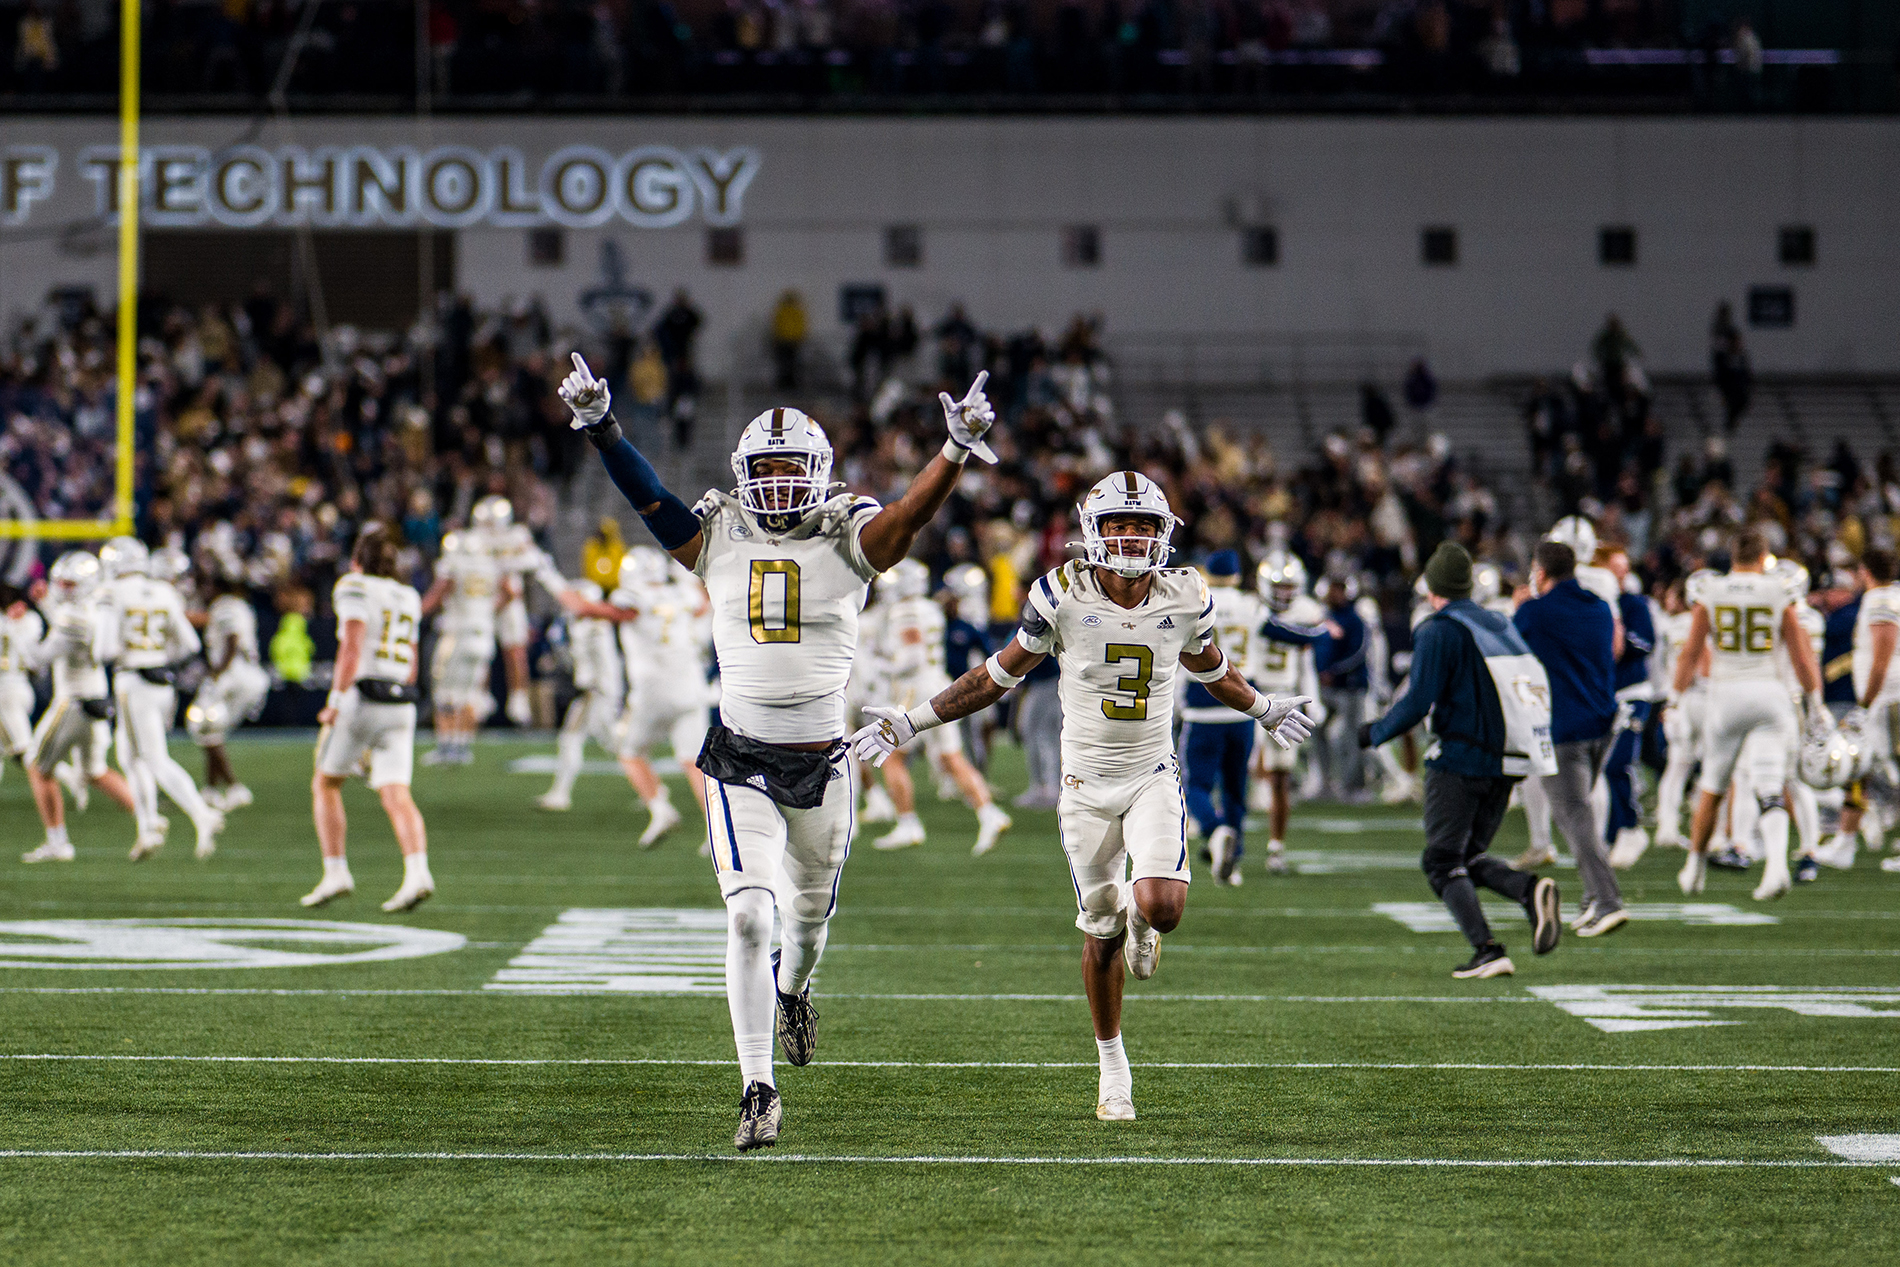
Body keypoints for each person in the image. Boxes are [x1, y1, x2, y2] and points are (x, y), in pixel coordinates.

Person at [559, 352, 995, 1152]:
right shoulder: (718, 535)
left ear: (821, 473)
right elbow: (649, 498)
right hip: (739, 758)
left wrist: (954, 451)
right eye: (768, 469)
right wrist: (603, 428)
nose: (781, 484)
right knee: (750, 916)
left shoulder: (847, 538)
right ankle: (757, 1087)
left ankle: (794, 993)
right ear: (743, 472)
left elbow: (907, 518)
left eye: (795, 469)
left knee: (806, 924)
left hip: (824, 761)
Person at [850, 472, 1315, 1123]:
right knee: (1100, 932)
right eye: (1120, 523)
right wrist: (913, 720)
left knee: (1163, 905)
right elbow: (996, 676)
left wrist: (1264, 707)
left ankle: (1144, 921)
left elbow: (1211, 667)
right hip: (1084, 788)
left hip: (1152, 772)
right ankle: (1113, 1065)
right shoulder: (1061, 593)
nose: (1132, 536)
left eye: (1144, 525)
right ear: (1095, 532)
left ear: (1163, 534)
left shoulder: (1186, 593)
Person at [1359, 542, 1563, 979]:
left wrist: (1375, 733)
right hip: (1507, 760)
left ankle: (1488, 948)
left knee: (1441, 861)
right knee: (1466, 857)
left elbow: (1418, 700)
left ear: (1433, 588)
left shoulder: (1439, 629)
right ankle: (1529, 891)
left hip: (1460, 757)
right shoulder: (1499, 622)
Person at [1670, 527, 1825, 900]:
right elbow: (1801, 656)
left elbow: (1690, 653)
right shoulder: (1778, 590)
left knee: (1713, 785)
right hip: (1769, 692)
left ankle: (1694, 866)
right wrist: (1816, 705)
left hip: (1726, 694)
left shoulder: (1712, 591)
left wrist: (1674, 701)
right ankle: (1774, 867)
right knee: (1771, 784)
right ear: (1763, 556)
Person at [304, 524, 432, 912]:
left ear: (357, 559)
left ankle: (336, 871)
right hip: (400, 701)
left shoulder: (354, 585)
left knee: (325, 783)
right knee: (396, 793)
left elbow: (353, 645)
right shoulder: (409, 595)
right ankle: (418, 872)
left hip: (363, 697)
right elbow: (411, 660)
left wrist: (335, 700)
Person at [556, 546, 712, 845]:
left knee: (629, 751)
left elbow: (587, 610)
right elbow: (703, 606)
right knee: (693, 762)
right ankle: (716, 829)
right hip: (691, 686)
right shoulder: (681, 593)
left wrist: (550, 578)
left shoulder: (634, 598)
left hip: (653, 689)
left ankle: (660, 808)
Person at [1512, 540, 1626, 936]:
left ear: (1541, 572)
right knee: (1582, 812)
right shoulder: (1599, 606)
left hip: (1564, 725)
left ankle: (1607, 900)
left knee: (1574, 816)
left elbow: (1512, 653)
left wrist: (1520, 608)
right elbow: (1615, 650)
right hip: (1602, 721)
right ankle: (1593, 899)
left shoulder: (1535, 611)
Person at [866, 559, 1013, 855]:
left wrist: (881, 665)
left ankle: (908, 822)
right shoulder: (931, 608)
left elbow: (911, 658)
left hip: (913, 689)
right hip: (936, 685)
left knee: (892, 757)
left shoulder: (906, 611)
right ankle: (988, 812)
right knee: (950, 756)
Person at [97, 536, 225, 862]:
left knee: (153, 758)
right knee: (128, 755)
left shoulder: (112, 593)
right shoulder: (164, 592)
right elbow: (190, 646)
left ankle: (202, 814)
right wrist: (156, 651)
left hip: (134, 681)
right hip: (162, 682)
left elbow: (105, 650)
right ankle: (148, 826)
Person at [1180, 551, 1264, 884]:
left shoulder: (1194, 603)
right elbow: (1283, 635)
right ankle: (1234, 863)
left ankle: (1215, 833)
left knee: (1196, 785)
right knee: (1234, 788)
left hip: (1202, 706)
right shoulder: (1253, 606)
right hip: (1243, 705)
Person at [536, 579, 625, 812]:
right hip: (594, 691)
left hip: (597, 692)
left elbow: (599, 666)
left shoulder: (593, 627)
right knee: (585, 740)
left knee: (611, 743)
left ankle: (653, 791)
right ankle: (560, 793)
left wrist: (597, 689)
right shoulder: (582, 624)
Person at [188, 573, 271, 812]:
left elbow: (232, 637)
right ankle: (211, 790)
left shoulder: (224, 605)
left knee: (201, 725)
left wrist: (219, 671)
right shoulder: (242, 606)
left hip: (233, 675)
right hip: (249, 675)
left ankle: (235, 788)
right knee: (213, 732)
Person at [420, 530, 502, 766]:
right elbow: (510, 591)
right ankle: (463, 746)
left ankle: (446, 746)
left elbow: (439, 592)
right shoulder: (490, 565)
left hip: (457, 635)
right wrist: (486, 612)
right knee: (470, 692)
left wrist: (415, 612)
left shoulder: (454, 563)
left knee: (444, 689)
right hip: (484, 635)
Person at [1601, 547, 1657, 868]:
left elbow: (1643, 644)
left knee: (1617, 764)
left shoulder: (1633, 604)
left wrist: (1616, 627)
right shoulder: (1594, 605)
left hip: (1632, 692)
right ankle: (1612, 833)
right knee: (1601, 769)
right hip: (1603, 695)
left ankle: (1631, 826)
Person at [474, 495, 548, 728]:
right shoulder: (476, 539)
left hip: (509, 599)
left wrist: (506, 566)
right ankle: (480, 696)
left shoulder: (516, 535)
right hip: (484, 598)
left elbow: (533, 560)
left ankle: (519, 698)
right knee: (479, 650)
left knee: (515, 650)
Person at [0, 583, 47, 786]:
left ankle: (69, 777)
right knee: (5, 747)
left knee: (27, 749)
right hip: (21, 687)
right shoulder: (31, 621)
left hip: (10, 689)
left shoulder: (22, 622)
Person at [770, 290, 808, 390]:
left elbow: (799, 326)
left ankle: (790, 383)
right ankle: (785, 383)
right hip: (785, 341)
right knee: (786, 364)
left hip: (790, 342)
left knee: (791, 364)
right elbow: (778, 325)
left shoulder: (790, 312)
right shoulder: (787, 311)